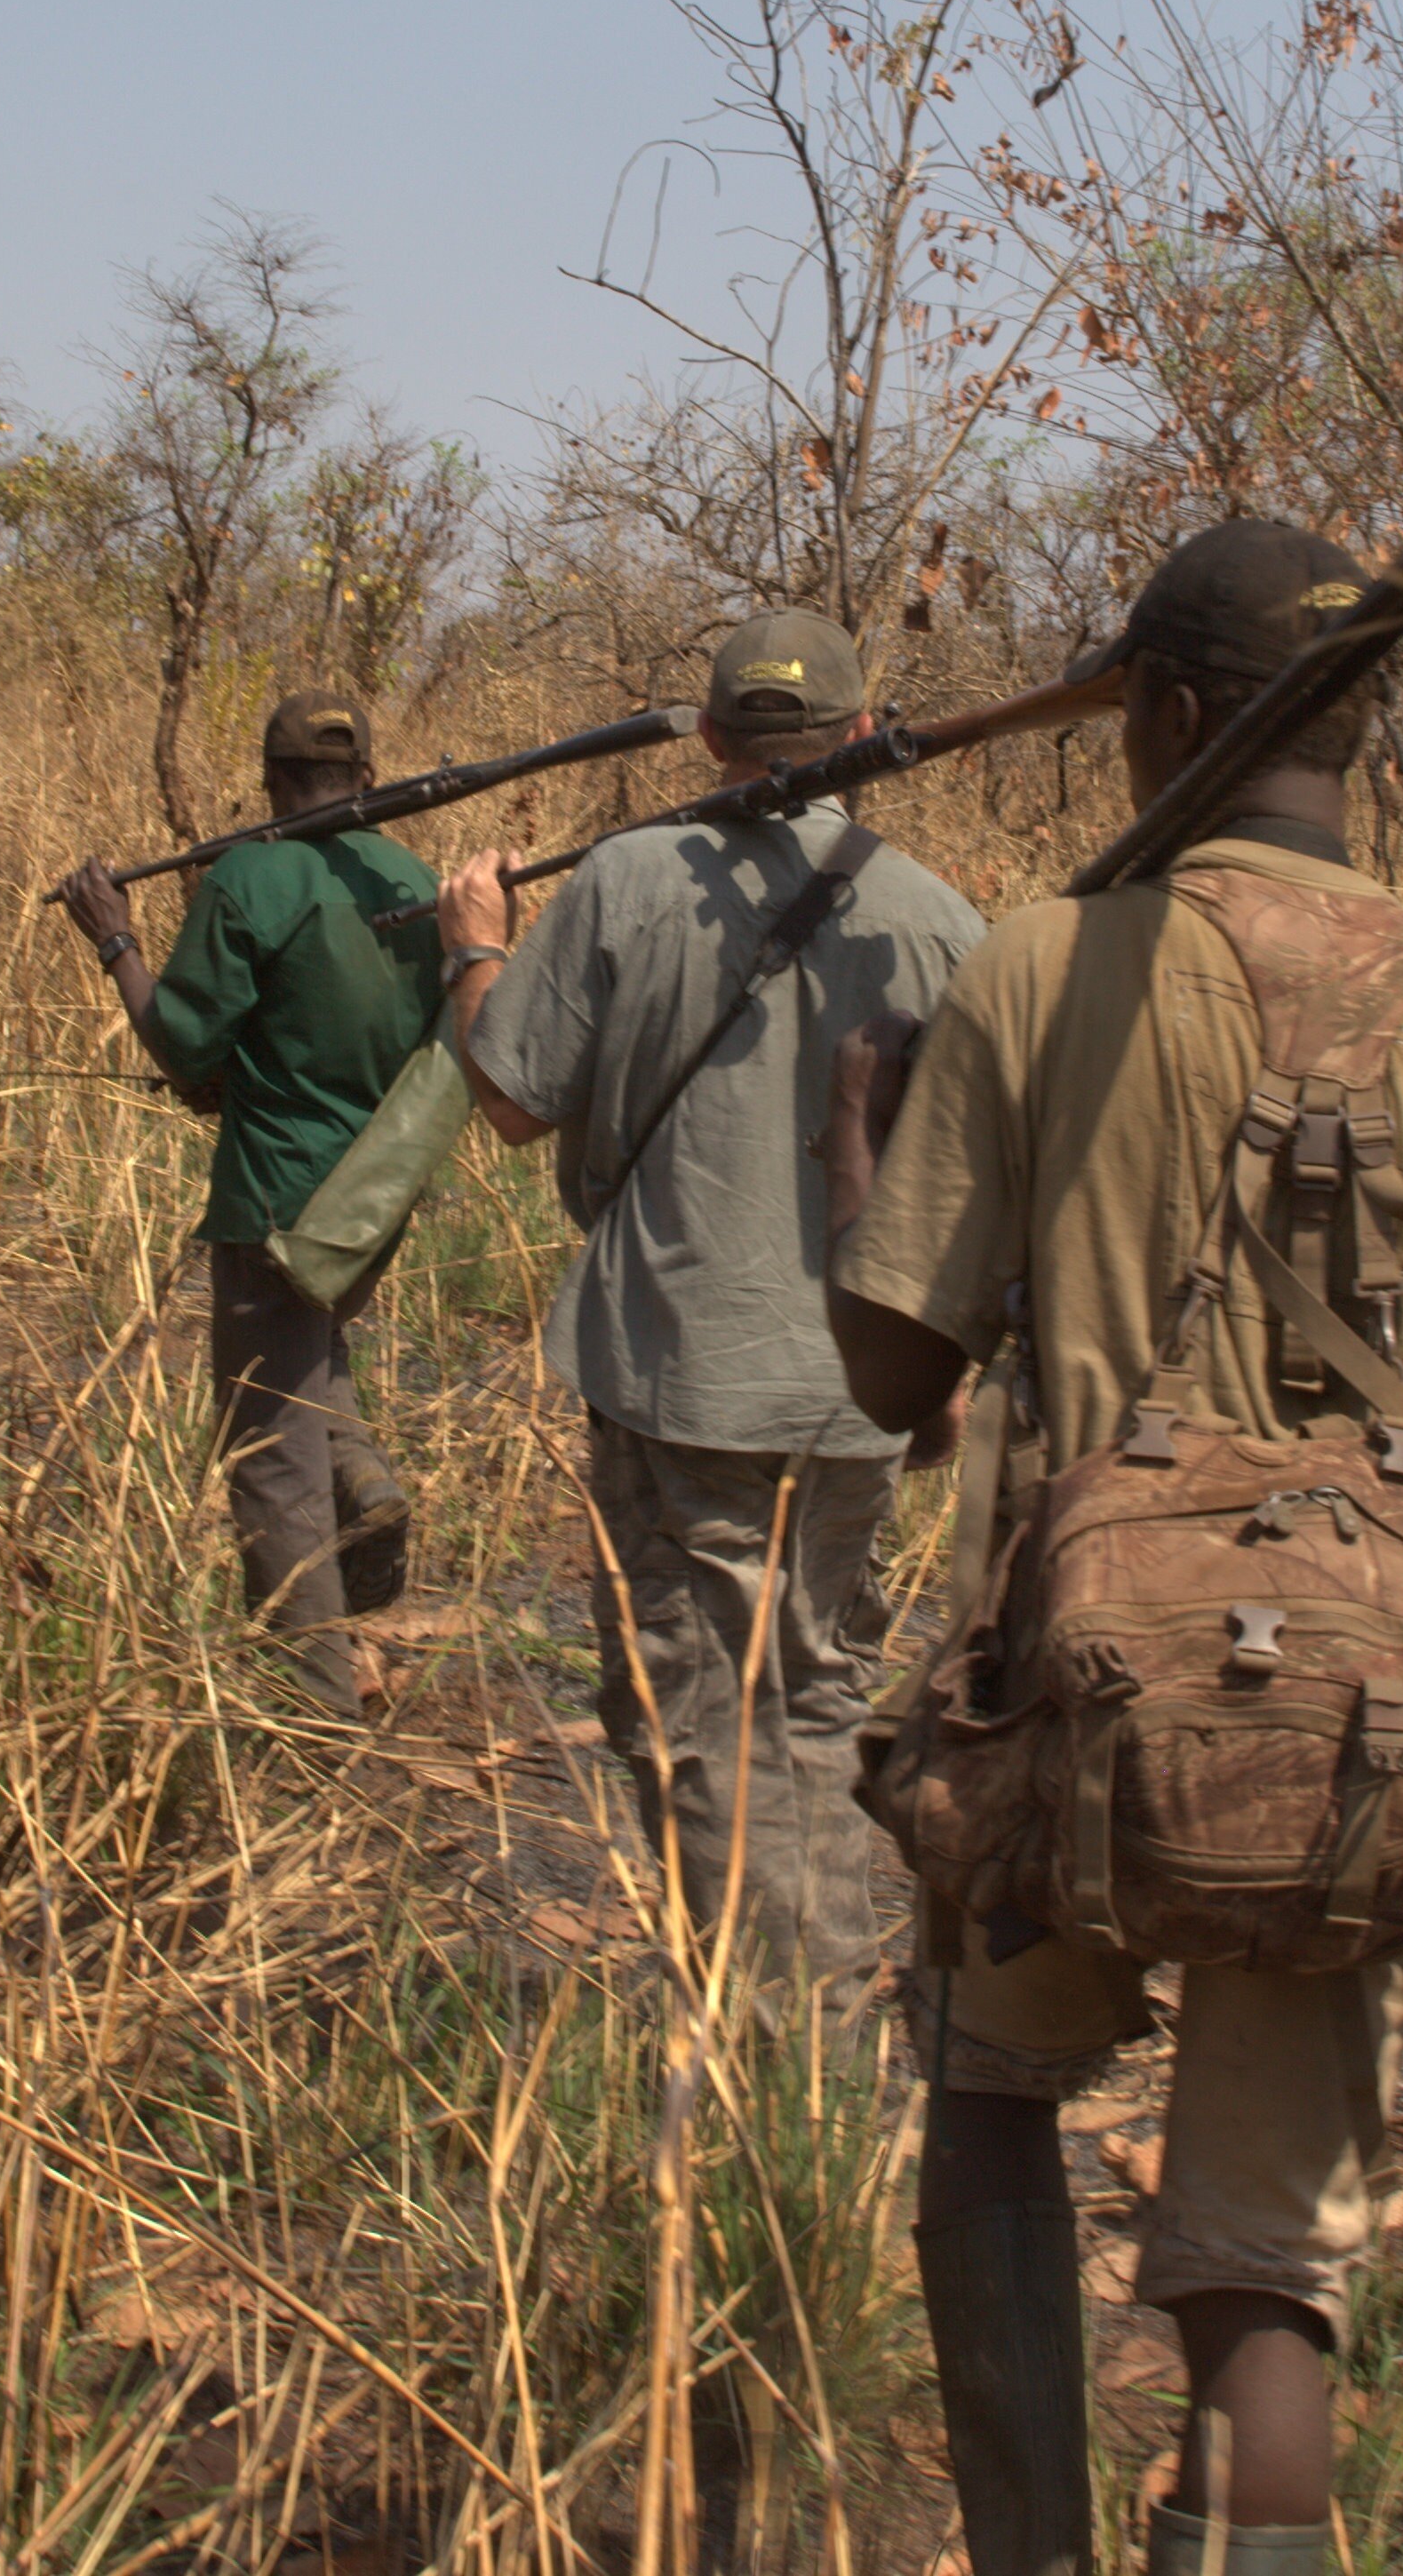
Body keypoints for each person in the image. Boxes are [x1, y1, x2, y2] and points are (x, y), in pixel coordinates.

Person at [822, 520, 1403, 2576]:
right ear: (1359, 736)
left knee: (991, 2101)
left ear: (1175, 719)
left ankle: (1026, 2546)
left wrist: (872, 1130)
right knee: (1260, 2263)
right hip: (1363, 1722)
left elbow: (881, 1370)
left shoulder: (1039, 963)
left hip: (1060, 1683)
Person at [430, 610, 986, 1986]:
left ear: (713, 736)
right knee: (809, 1701)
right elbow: (976, 1186)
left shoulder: (623, 882)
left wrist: (471, 945)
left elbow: (504, 1095)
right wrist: (950, 1381)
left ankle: (773, 2054)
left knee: (696, 1715)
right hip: (865, 1386)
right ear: (862, 741)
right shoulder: (944, 922)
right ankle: (821, 2034)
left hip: (683, 1380)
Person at [53, 690, 435, 1711]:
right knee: (309, 1353)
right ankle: (365, 1485)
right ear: (368, 780)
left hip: (275, 1195)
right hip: (377, 1192)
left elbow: (184, 1050)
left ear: (268, 781)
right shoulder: (413, 880)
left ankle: (314, 1717)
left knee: (269, 1456)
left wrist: (113, 942)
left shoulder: (252, 877)